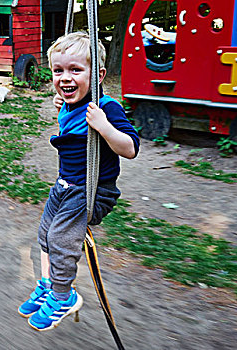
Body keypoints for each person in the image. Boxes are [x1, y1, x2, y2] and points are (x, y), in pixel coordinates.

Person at [18, 31, 140, 331]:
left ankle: (63, 296)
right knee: (45, 234)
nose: (65, 77)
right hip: (66, 185)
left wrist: (104, 127)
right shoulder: (69, 103)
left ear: (97, 75)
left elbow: (131, 148)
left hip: (92, 191)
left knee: (61, 239)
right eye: (58, 70)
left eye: (75, 70)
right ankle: (48, 285)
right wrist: (63, 102)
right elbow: (70, 117)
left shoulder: (106, 107)